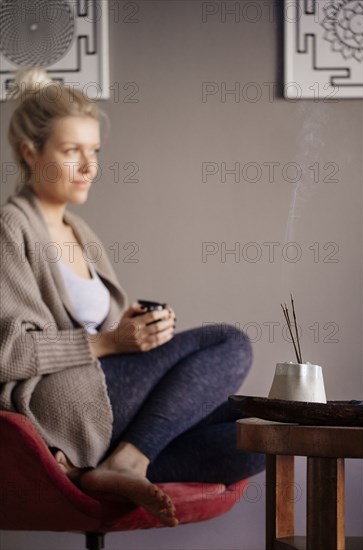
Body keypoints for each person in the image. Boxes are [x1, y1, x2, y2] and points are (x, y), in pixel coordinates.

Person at [0, 68, 264, 527]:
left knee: (258, 436)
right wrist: (110, 343)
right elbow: (7, 354)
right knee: (231, 342)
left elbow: (99, 332)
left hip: (101, 398)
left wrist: (136, 327)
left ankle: (98, 471)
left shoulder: (80, 233)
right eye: (71, 152)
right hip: (59, 403)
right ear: (30, 152)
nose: (89, 167)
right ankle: (123, 464)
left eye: (94, 152)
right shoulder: (10, 228)